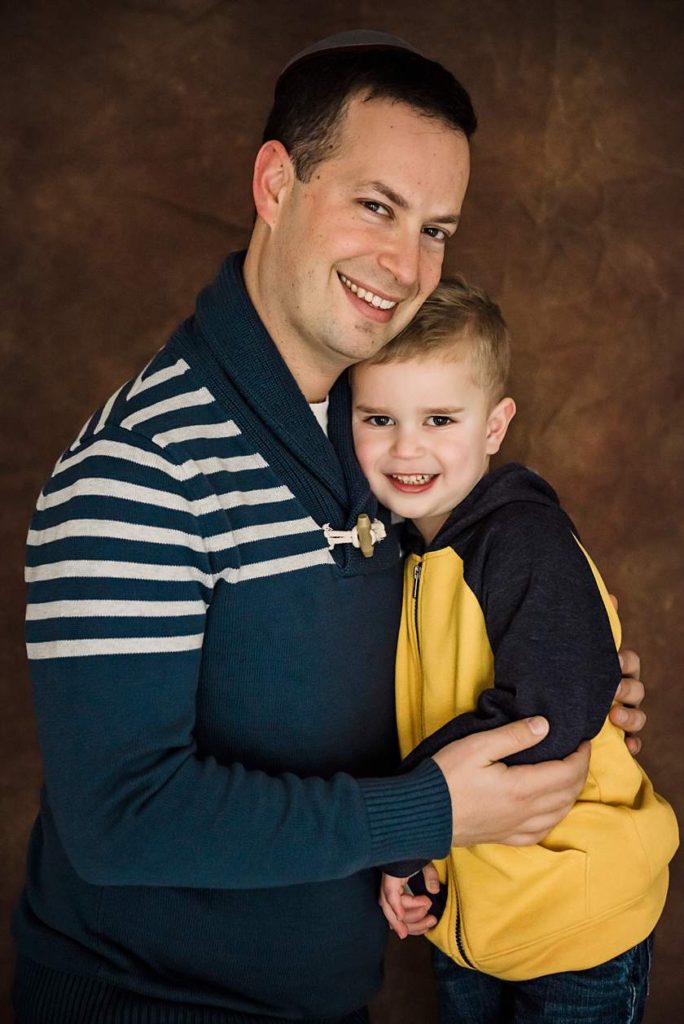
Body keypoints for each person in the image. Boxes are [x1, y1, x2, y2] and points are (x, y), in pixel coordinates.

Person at [13, 32, 646, 1024]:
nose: (406, 264)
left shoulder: (383, 445)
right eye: (376, 206)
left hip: (331, 994)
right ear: (276, 183)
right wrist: (430, 809)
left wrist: (565, 685)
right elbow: (121, 820)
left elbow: (441, 627)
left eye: (437, 228)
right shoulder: (142, 466)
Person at [350, 277, 677, 1023]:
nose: (408, 448)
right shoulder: (410, 554)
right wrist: (423, 856)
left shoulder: (521, 540)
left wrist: (405, 833)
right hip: (475, 928)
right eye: (379, 418)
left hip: (577, 927)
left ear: (495, 427)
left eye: (439, 418)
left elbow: (544, 715)